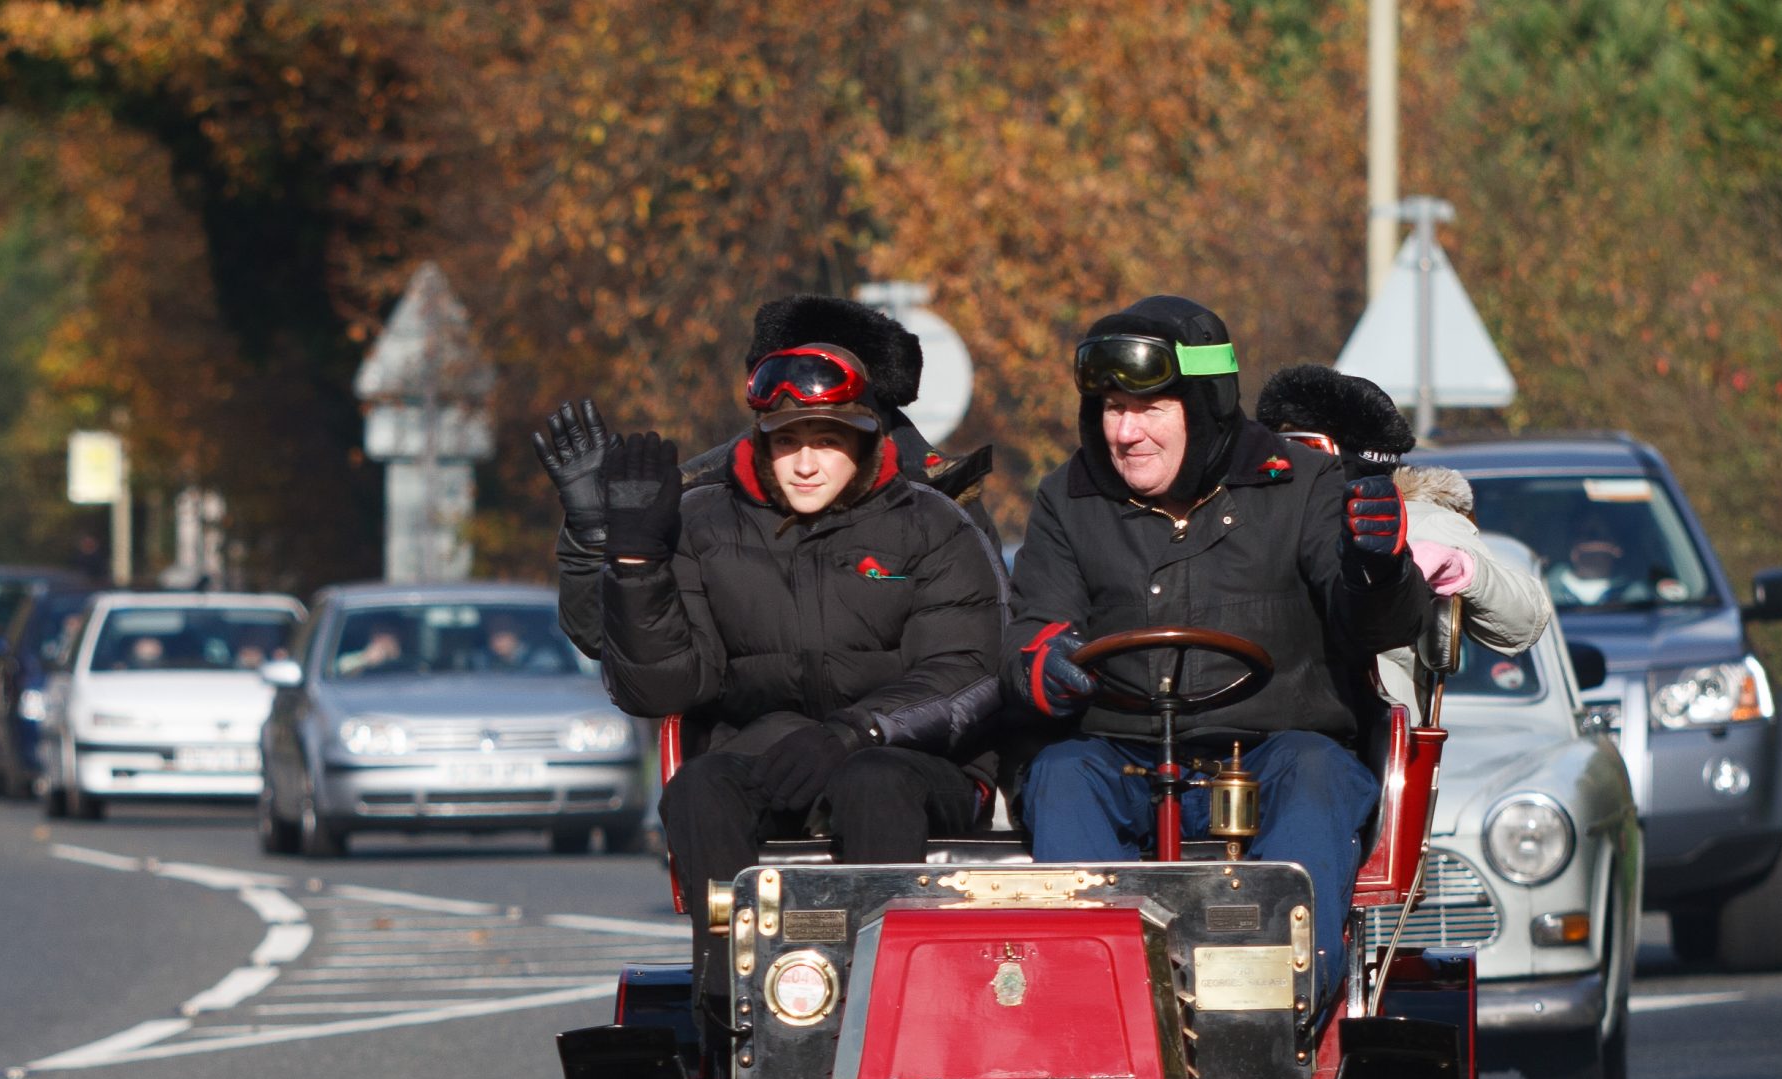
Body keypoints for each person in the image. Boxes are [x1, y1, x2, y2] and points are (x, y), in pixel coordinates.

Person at [1005, 296, 1433, 998]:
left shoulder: (1302, 484)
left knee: (1320, 775)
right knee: (1059, 775)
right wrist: (1043, 663)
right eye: (1111, 409)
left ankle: (1271, 1001)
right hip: (1120, 754)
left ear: (1205, 406)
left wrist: (1378, 567)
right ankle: (1098, 999)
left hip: (1274, 754)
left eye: (1147, 410)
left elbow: (1377, 623)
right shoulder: (1067, 498)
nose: (1125, 432)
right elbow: (1032, 629)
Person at [595, 341, 1004, 1025]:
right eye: (788, 442)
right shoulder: (705, 522)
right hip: (770, 750)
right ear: (761, 444)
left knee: (870, 781)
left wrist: (857, 731)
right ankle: (737, 1017)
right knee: (698, 787)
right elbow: (664, 685)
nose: (806, 463)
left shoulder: (934, 525)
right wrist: (634, 564)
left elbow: (968, 673)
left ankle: (888, 1011)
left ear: (867, 439)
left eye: (828, 440)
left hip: (914, 757)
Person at [537, 293, 1000, 664]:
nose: (804, 461)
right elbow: (623, 645)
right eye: (785, 430)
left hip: (895, 749)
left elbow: (973, 659)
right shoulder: (707, 508)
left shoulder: (940, 510)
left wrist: (865, 736)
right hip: (746, 757)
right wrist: (597, 536)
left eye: (828, 433)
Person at [1253, 363, 1551, 705]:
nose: (1282, 464)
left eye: (1302, 450)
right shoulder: (1248, 514)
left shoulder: (1416, 521)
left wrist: (1460, 569)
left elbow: (1524, 622)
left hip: (1366, 731)